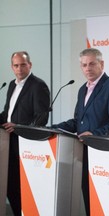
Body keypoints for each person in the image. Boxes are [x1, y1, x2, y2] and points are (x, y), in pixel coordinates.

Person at [52, 48, 109, 215]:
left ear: (101, 64)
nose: (88, 68)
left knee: (102, 201)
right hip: (83, 153)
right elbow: (78, 122)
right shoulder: (82, 89)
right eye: (84, 65)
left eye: (92, 64)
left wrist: (95, 135)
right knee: (88, 198)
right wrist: (53, 128)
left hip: (102, 154)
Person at [0, 51, 50, 216]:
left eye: (23, 64)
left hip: (25, 145)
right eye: (16, 65)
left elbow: (41, 118)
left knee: (21, 187)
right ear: (12, 67)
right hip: (8, 143)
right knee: (9, 185)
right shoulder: (12, 85)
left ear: (30, 65)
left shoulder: (38, 85)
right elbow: (7, 114)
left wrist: (19, 127)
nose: (19, 68)